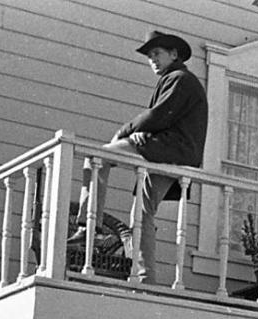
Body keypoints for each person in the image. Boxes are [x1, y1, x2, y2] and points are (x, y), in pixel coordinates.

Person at [73, 30, 208, 284]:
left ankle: (88, 226)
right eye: (149, 56)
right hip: (174, 155)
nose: (152, 60)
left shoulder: (180, 78)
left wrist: (123, 132)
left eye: (157, 53)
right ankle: (145, 277)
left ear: (174, 54)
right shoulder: (176, 79)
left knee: (96, 159)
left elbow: (159, 116)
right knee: (143, 214)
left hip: (167, 149)